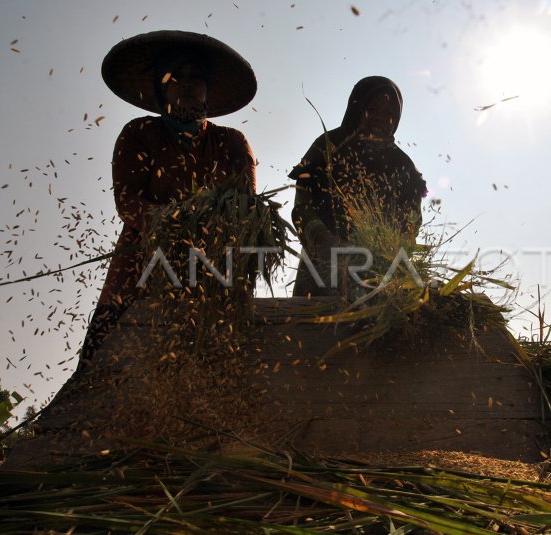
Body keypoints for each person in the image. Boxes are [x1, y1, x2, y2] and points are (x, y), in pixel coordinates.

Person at [80, 30, 258, 365]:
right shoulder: (140, 134)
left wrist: (211, 233)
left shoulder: (232, 142)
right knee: (100, 364)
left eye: (196, 77)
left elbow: (246, 209)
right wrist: (172, 227)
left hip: (214, 270)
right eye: (176, 77)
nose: (187, 84)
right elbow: (128, 199)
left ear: (208, 88)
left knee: (218, 364)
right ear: (163, 87)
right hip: (141, 263)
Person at [288, 76, 427, 297]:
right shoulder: (329, 146)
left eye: (390, 114)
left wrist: (389, 253)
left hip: (379, 278)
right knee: (311, 327)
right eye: (373, 109)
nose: (382, 119)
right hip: (320, 271)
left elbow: (411, 221)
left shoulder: (403, 166)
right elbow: (302, 206)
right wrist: (325, 242)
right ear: (358, 108)